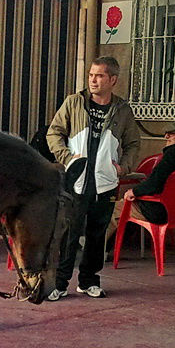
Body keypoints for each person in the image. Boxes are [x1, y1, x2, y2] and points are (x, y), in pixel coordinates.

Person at [46, 56, 140, 300]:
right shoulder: (74, 102)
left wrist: (123, 168)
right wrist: (68, 158)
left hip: (106, 183)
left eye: (99, 76)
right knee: (69, 233)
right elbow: (54, 133)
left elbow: (133, 144)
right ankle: (60, 283)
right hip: (76, 181)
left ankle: (89, 281)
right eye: (91, 75)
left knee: (98, 235)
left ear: (113, 80)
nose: (93, 80)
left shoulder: (122, 110)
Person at [123, 117, 175, 224]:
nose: (166, 137)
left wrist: (133, 191)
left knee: (112, 211)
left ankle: (100, 241)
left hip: (157, 211)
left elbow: (154, 183)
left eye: (171, 133)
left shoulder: (173, 155)